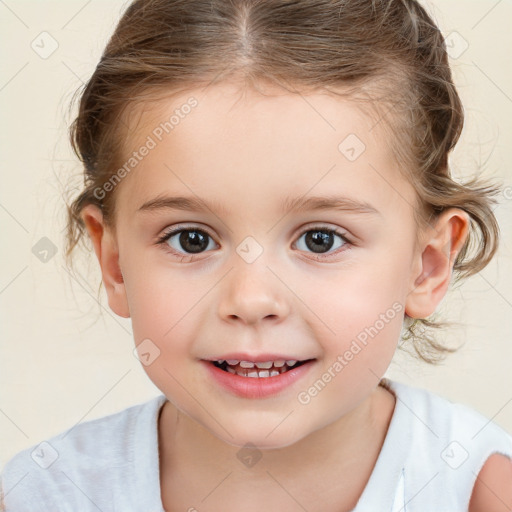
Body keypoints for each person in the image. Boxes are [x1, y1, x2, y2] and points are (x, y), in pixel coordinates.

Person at [1, 0, 511, 510]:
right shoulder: (45, 495)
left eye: (321, 239)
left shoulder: (479, 492)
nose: (251, 300)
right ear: (114, 263)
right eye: (191, 239)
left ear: (426, 265)